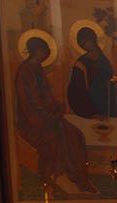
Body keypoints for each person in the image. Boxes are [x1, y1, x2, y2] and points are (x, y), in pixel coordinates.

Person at [15, 35, 96, 194]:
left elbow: (47, 97)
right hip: (32, 121)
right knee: (56, 137)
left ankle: (81, 178)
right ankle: (52, 177)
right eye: (41, 51)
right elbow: (28, 102)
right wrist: (48, 117)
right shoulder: (25, 71)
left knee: (76, 135)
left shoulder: (38, 69)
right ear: (33, 51)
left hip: (49, 117)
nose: (43, 54)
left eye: (45, 51)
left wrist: (57, 107)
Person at [67, 26, 117, 119]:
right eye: (81, 44)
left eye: (85, 41)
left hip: (107, 95)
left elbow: (110, 77)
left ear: (93, 39)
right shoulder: (81, 63)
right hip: (91, 98)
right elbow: (77, 88)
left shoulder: (103, 59)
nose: (84, 45)